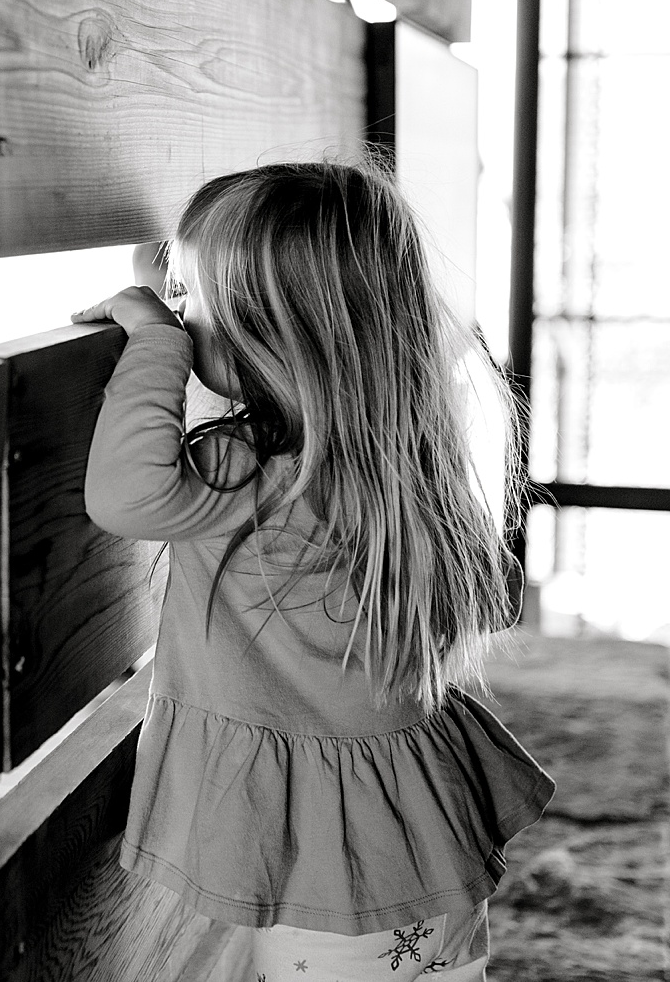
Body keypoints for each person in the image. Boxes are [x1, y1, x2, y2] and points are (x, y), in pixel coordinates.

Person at [71, 161, 552, 980]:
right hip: (418, 842)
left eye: (195, 302)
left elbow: (124, 495)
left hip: (337, 880)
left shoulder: (248, 469)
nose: (184, 316)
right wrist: (167, 278)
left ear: (266, 330)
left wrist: (154, 339)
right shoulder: (400, 459)